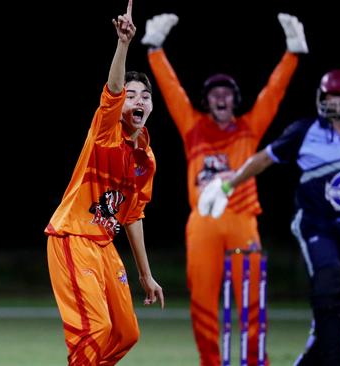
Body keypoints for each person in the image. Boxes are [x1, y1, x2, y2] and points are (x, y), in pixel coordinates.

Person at [199, 69, 340, 365]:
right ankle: (337, 360)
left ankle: (309, 359)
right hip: (317, 226)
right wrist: (227, 184)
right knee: (329, 286)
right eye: (334, 97)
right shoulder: (304, 131)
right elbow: (263, 159)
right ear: (323, 100)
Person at [140, 12, 308, 366]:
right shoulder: (194, 128)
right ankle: (211, 363)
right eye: (214, 93)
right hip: (202, 223)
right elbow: (171, 91)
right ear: (207, 100)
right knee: (202, 301)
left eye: (227, 93)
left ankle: (252, 361)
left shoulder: (249, 128)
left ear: (234, 100)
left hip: (243, 220)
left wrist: (292, 53)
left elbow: (272, 94)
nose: (220, 98)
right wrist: (154, 48)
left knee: (251, 300)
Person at [45, 1, 164, 364]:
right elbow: (112, 90)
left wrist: (146, 275)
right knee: (95, 330)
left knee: (126, 333)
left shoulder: (146, 157)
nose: (138, 100)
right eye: (131, 96)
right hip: (73, 238)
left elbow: (132, 215)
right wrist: (124, 45)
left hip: (104, 245)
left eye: (145, 96)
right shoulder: (106, 131)